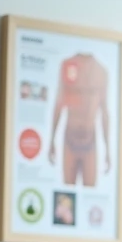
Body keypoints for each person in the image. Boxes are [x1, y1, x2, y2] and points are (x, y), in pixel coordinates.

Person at [48, 52, 112, 187]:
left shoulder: (101, 72)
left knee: (89, 194)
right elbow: (59, 104)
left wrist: (108, 150)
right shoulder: (68, 65)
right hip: (70, 138)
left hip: (90, 141)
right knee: (66, 195)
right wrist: (51, 140)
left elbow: (104, 112)